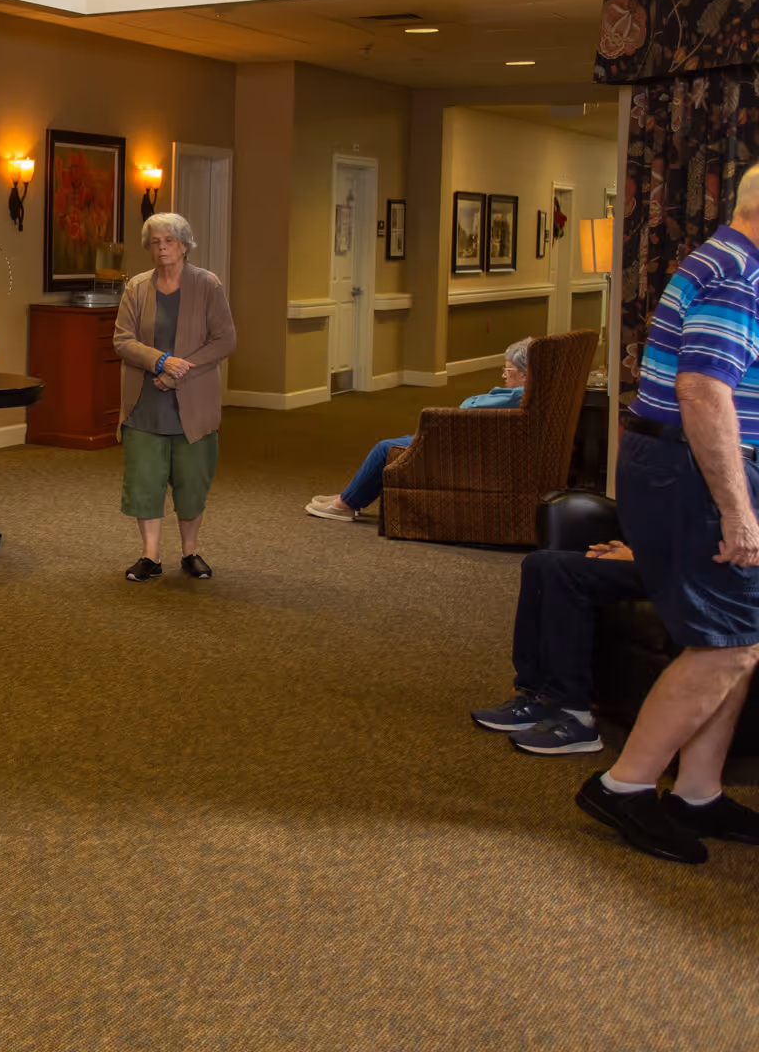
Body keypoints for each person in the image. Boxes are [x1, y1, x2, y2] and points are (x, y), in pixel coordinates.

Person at [575, 166, 759, 865]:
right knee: (729, 644)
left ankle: (699, 793)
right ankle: (624, 786)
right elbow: (703, 394)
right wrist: (738, 512)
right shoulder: (737, 274)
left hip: (698, 465)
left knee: (741, 634)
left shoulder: (728, 260)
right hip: (695, 469)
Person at [112, 211, 236, 582]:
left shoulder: (207, 285)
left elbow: (225, 340)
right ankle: (150, 556)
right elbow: (122, 340)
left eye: (169, 241)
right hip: (144, 403)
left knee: (191, 481)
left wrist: (181, 370)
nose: (162, 247)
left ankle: (191, 552)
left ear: (184, 245)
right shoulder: (137, 287)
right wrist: (161, 362)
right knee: (144, 481)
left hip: (193, 403)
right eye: (155, 242)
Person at [305, 338, 531, 522]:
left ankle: (344, 505)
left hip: (462, 446)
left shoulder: (517, 395)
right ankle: (350, 496)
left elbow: (468, 406)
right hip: (475, 440)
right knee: (403, 439)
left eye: (507, 370)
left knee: (385, 448)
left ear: (523, 374)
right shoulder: (534, 394)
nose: (503, 375)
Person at [470, 540, 645, 755]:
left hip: (686, 573)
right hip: (659, 560)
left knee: (565, 571)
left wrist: (641, 557)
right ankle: (538, 695)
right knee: (539, 561)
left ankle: (576, 717)